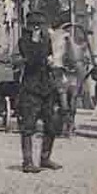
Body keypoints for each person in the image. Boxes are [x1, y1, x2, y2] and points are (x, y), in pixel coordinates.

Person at [14, 9, 61, 172]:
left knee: (52, 125)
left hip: (46, 88)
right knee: (28, 126)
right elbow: (33, 60)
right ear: (31, 27)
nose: (40, 29)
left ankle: (45, 158)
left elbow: (48, 57)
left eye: (41, 25)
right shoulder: (24, 42)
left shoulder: (46, 41)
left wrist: (51, 62)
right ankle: (27, 161)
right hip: (31, 88)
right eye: (37, 26)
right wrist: (35, 43)